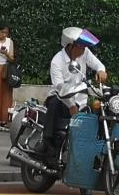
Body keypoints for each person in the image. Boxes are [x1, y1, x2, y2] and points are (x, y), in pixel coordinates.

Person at [42, 27, 107, 167]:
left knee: (99, 111)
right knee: (55, 104)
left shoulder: (85, 52)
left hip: (80, 99)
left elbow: (97, 64)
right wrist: (71, 105)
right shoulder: (57, 61)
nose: (83, 50)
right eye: (80, 47)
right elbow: (59, 88)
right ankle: (48, 145)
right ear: (69, 46)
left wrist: (101, 71)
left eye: (84, 47)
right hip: (62, 98)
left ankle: (97, 152)